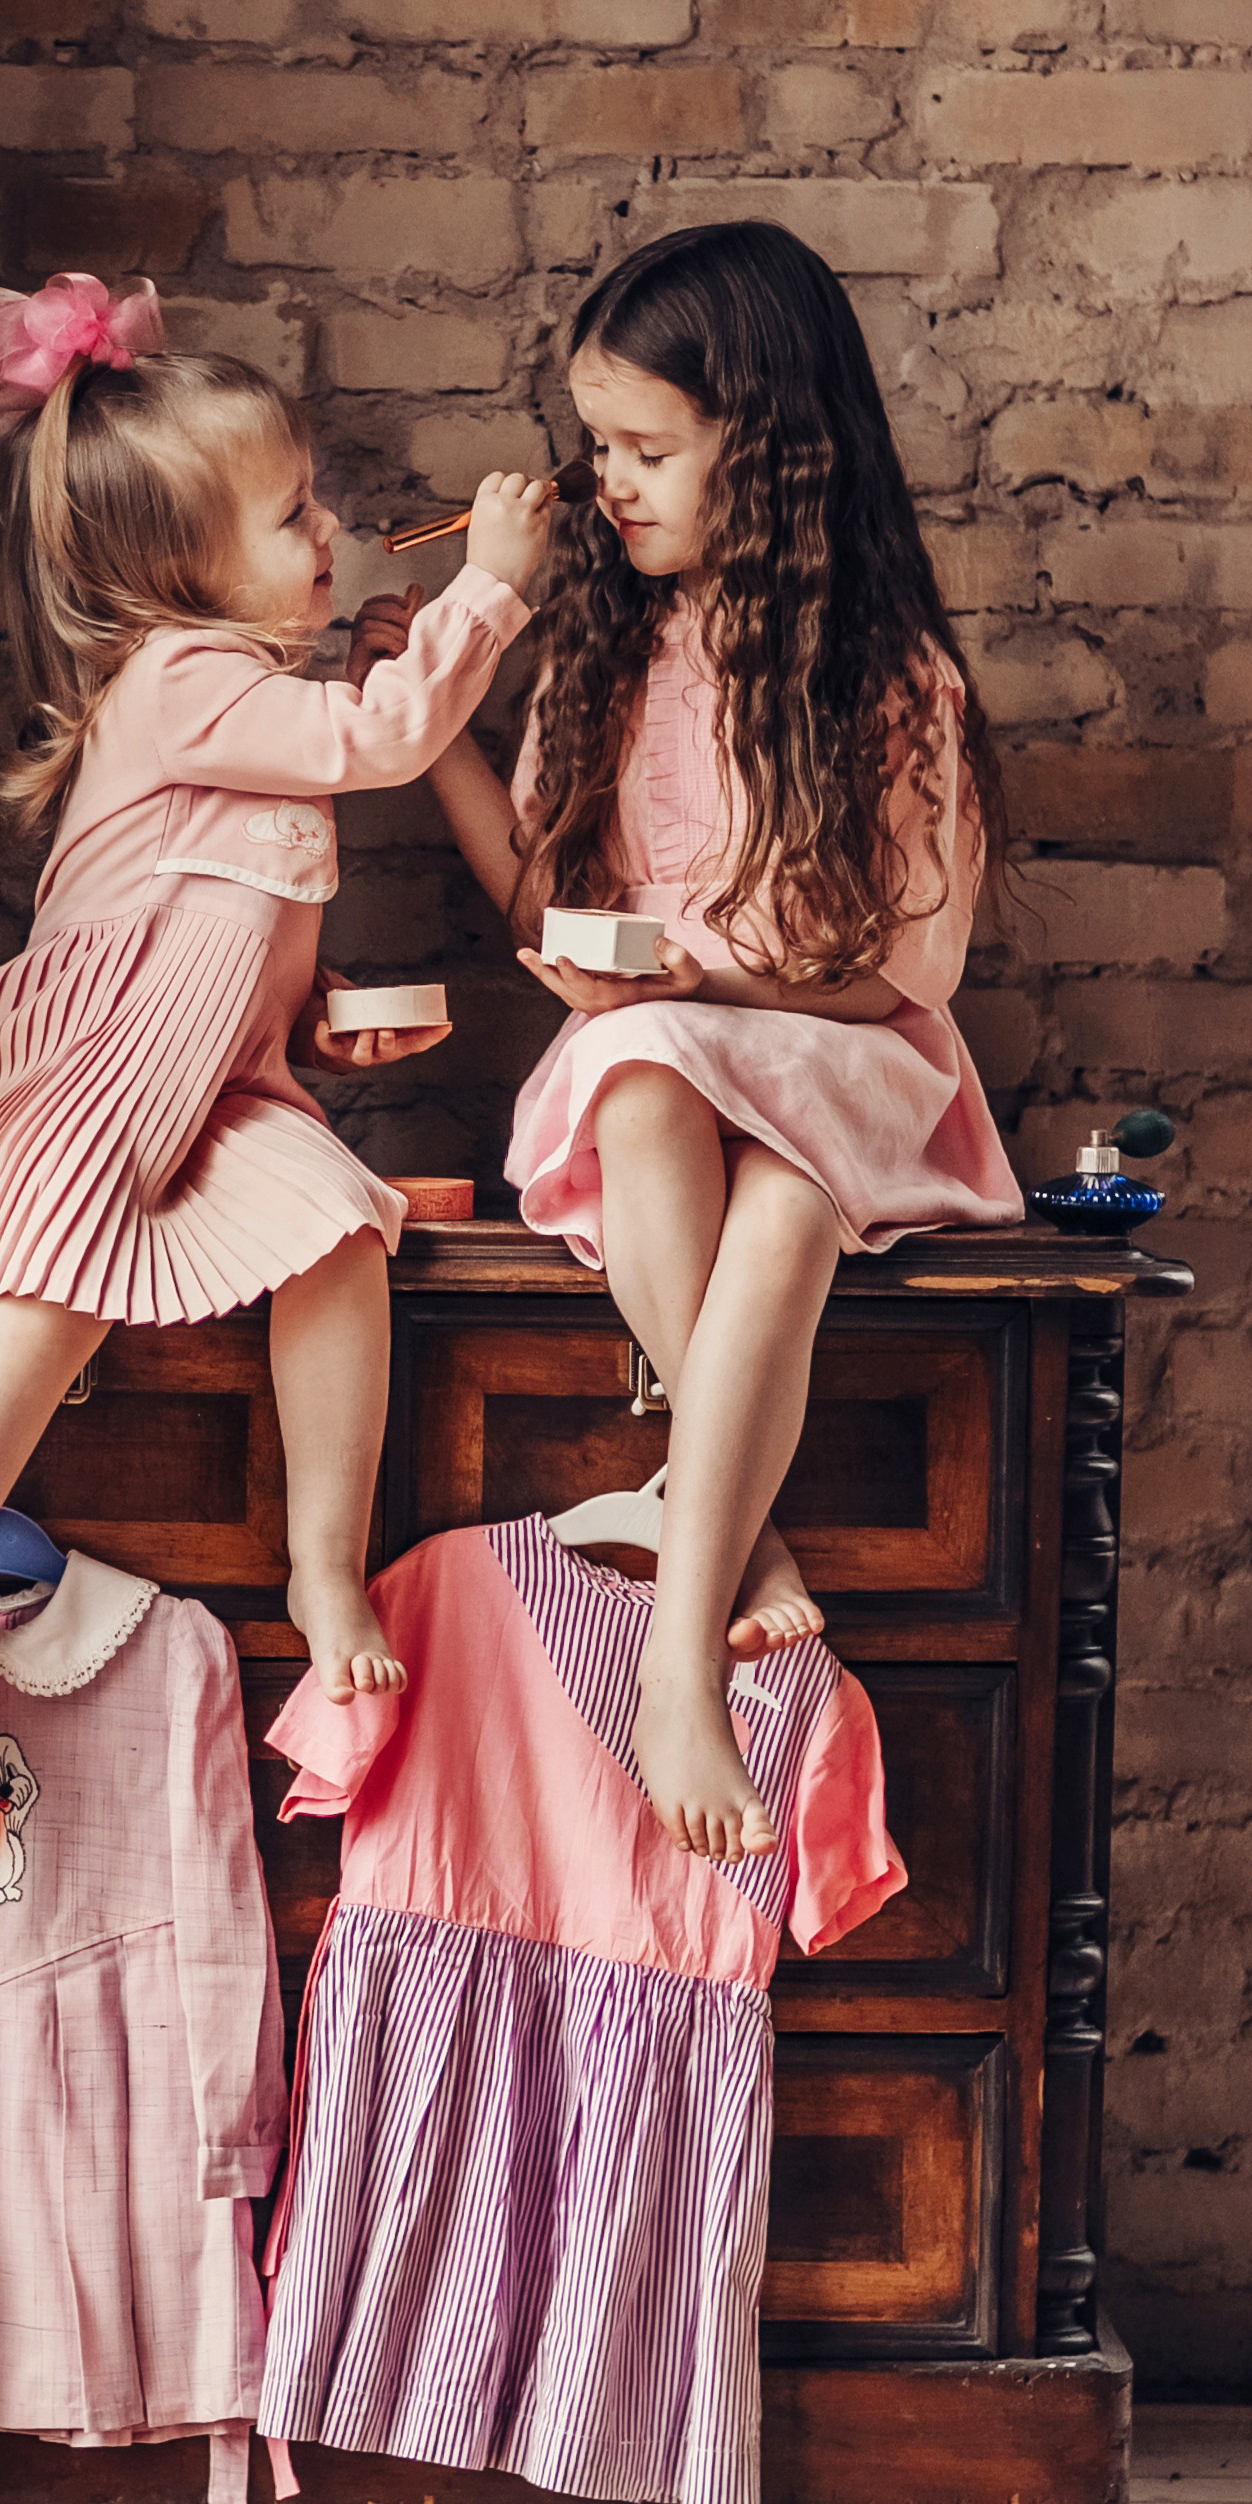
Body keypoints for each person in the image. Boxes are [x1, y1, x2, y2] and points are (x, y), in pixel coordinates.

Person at [350, 220, 1019, 1864]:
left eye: (649, 448)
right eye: (599, 448)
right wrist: (431, 727)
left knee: (780, 1188)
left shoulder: (886, 681)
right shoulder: (600, 660)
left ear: (771, 452)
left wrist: (705, 980)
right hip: (661, 1059)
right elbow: (539, 903)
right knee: (641, 1084)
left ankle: (676, 1662)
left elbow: (905, 967)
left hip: (843, 1064)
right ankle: (747, 1534)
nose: (611, 483)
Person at [0, 270, 551, 1773]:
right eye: (291, 517)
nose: (329, 534)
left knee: (343, 1235)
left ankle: (323, 1557)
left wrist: (326, 1016)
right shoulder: (176, 680)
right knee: (51, 1288)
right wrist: (485, 592)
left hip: (212, 1079)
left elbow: (233, 917)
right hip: (94, 1070)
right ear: (178, 570)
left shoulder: (247, 686)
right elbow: (380, 743)